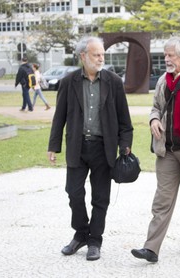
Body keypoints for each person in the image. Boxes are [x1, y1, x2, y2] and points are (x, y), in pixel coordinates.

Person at [47, 36, 133, 261]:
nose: (101, 58)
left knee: (100, 198)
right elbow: (59, 118)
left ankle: (95, 240)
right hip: (77, 146)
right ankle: (81, 233)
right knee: (73, 192)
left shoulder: (113, 82)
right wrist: (53, 146)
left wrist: (125, 146)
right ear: (83, 56)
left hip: (103, 148)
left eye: (102, 54)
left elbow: (125, 120)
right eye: (96, 54)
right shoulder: (68, 82)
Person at [131, 36, 180, 263]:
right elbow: (155, 107)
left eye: (170, 55)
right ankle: (151, 248)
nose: (166, 59)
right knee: (161, 201)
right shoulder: (164, 81)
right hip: (168, 150)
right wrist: (154, 119)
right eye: (165, 55)